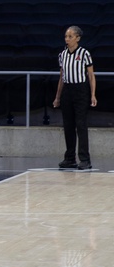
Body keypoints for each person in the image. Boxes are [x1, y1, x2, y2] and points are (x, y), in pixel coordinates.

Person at [53, 26, 97, 170]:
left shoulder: (84, 53)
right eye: (66, 36)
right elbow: (61, 77)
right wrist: (58, 97)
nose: (67, 39)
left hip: (81, 90)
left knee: (81, 125)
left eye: (70, 36)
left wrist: (92, 95)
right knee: (68, 125)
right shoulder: (62, 55)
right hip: (67, 90)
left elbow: (91, 76)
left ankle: (85, 159)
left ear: (78, 38)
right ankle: (70, 158)